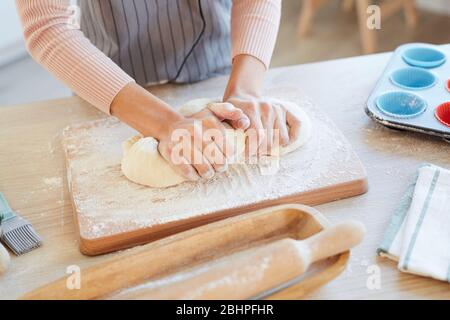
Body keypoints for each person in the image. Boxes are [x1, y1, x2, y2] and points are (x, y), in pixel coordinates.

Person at [16, 0, 301, 181]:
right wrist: (165, 123)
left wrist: (245, 91)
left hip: (220, 70)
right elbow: (47, 26)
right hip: (107, 86)